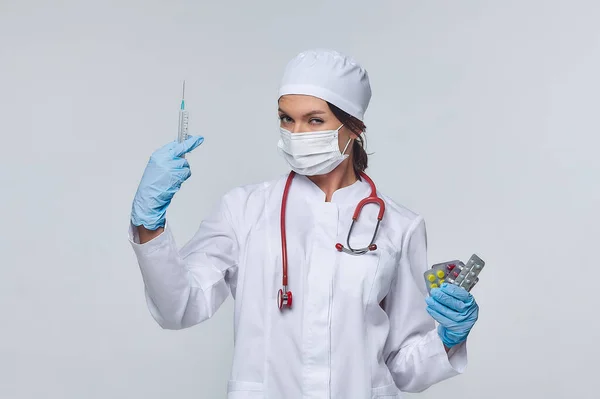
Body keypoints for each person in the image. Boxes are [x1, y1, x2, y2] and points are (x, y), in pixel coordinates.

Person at [128, 49, 480, 398]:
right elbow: (178, 307)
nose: (296, 133)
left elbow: (404, 367)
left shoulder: (399, 226)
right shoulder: (244, 209)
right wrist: (148, 226)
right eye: (286, 118)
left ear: (354, 127)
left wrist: (448, 337)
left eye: (314, 120)